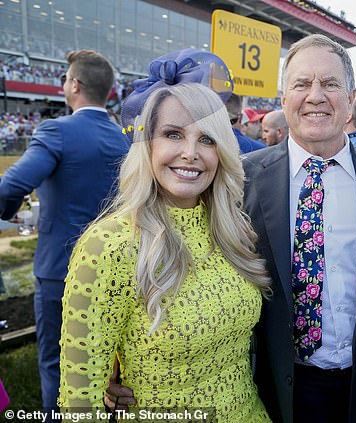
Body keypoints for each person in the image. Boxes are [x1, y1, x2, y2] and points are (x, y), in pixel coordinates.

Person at [58, 67, 272, 418]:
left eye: (206, 139)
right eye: (173, 134)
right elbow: (79, 404)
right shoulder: (108, 247)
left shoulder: (233, 228)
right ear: (147, 143)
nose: (190, 152)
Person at [243, 34, 356, 423]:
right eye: (302, 84)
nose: (315, 95)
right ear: (284, 99)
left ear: (350, 99)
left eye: (329, 84)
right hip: (277, 388)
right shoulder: (242, 180)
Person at [0, 49, 130, 416]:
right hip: (117, 271)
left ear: (73, 85)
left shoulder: (57, 130)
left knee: (57, 363)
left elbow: (12, 185)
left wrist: (9, 212)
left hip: (62, 269)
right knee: (105, 363)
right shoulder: (124, 138)